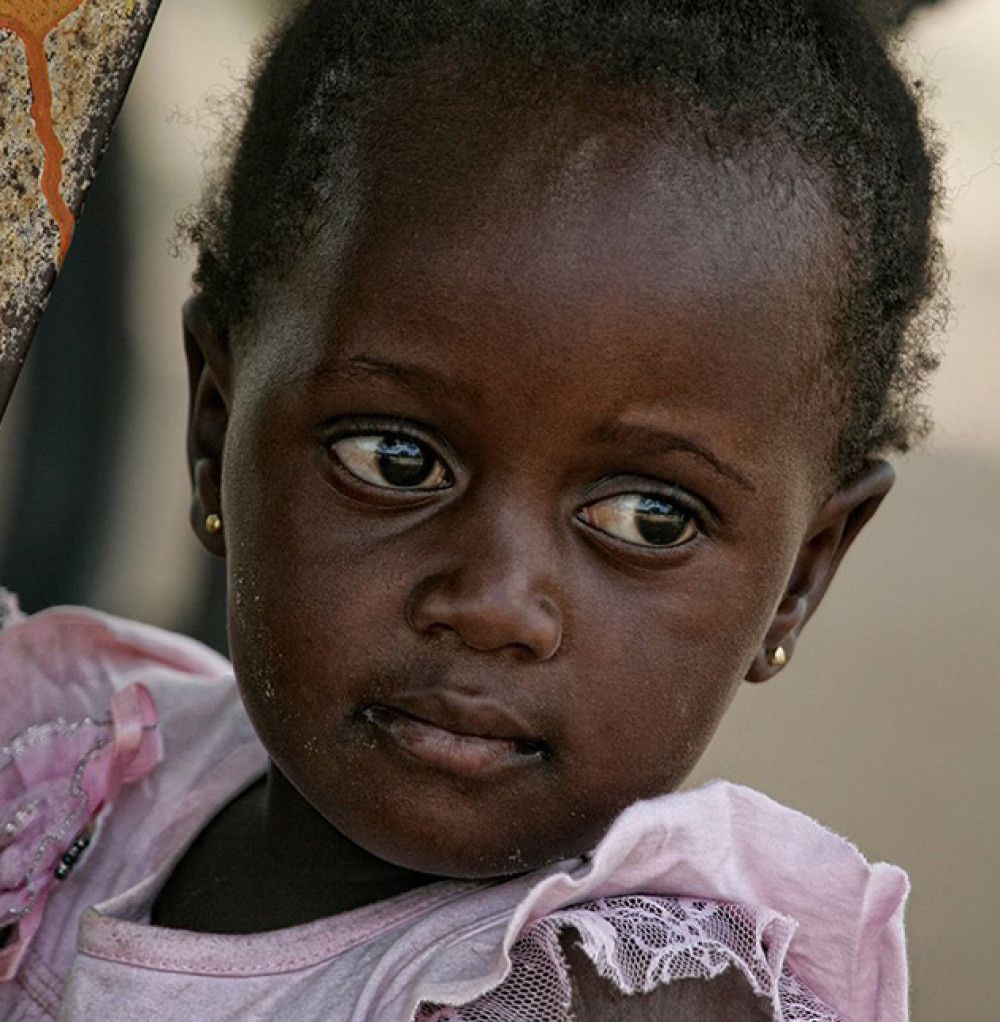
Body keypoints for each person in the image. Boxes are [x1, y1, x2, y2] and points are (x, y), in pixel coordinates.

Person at [0, 1, 943, 1018]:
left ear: (799, 577)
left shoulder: (604, 996)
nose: (492, 603)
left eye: (648, 518)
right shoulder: (70, 767)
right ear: (213, 434)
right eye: (396, 458)